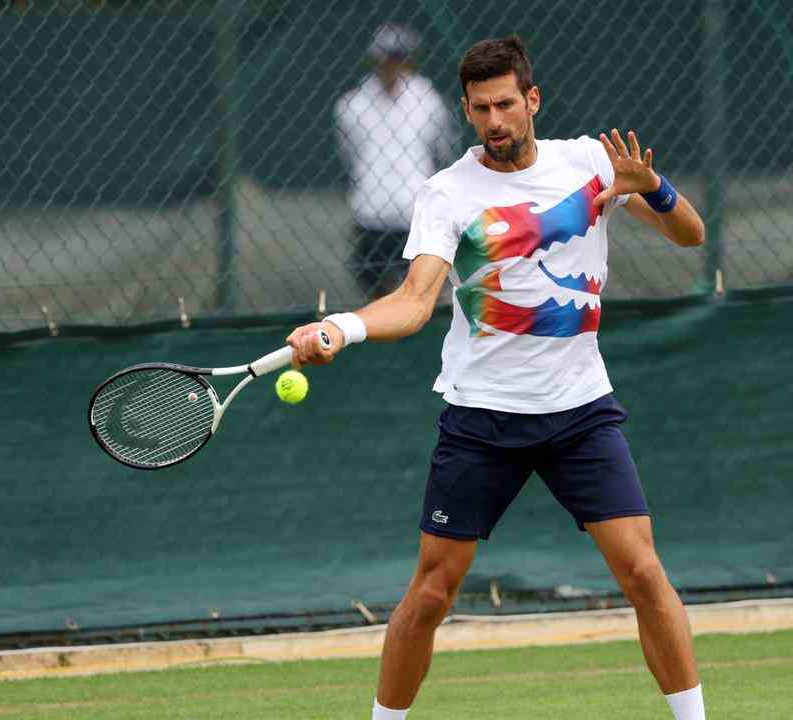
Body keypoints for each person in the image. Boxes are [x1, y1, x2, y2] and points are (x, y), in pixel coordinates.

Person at [290, 36, 707, 720]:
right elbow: (415, 300)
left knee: (642, 571)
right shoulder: (448, 192)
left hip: (580, 412)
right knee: (430, 593)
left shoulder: (590, 164)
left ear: (532, 99)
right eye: (482, 109)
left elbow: (691, 236)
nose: (496, 121)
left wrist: (653, 187)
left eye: (507, 104)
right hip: (483, 418)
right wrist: (343, 327)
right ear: (466, 109)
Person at [335, 24, 455, 299]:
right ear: (374, 60)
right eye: (387, 57)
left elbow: (442, 151)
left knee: (420, 291)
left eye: (399, 57)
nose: (393, 64)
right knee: (375, 287)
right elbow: (349, 154)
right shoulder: (352, 105)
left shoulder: (429, 101)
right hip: (371, 210)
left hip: (414, 212)